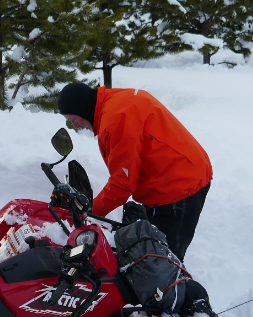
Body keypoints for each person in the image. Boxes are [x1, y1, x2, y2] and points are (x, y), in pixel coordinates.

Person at [57, 82, 213, 261]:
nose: (76, 126)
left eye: (74, 119)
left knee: (164, 261)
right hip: (181, 171)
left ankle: (173, 287)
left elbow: (122, 184)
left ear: (82, 108)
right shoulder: (113, 101)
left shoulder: (115, 119)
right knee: (154, 251)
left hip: (178, 189)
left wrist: (90, 212)